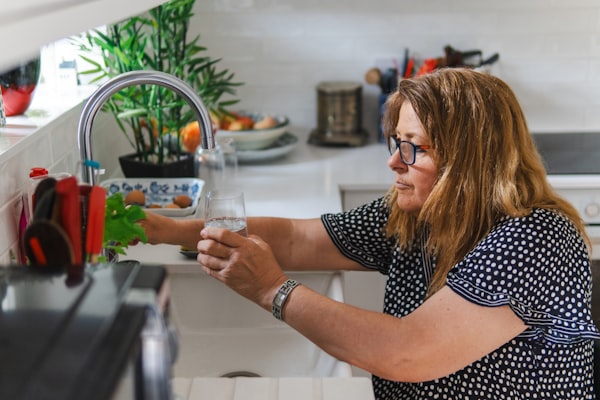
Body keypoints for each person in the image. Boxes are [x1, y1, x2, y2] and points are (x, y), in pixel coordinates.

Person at [138, 68, 600, 399]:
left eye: (413, 148)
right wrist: (165, 230)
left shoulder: (534, 238)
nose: (393, 162)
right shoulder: (418, 213)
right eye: (395, 143)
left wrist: (270, 289)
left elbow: (407, 352)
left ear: (469, 160)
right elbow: (300, 239)